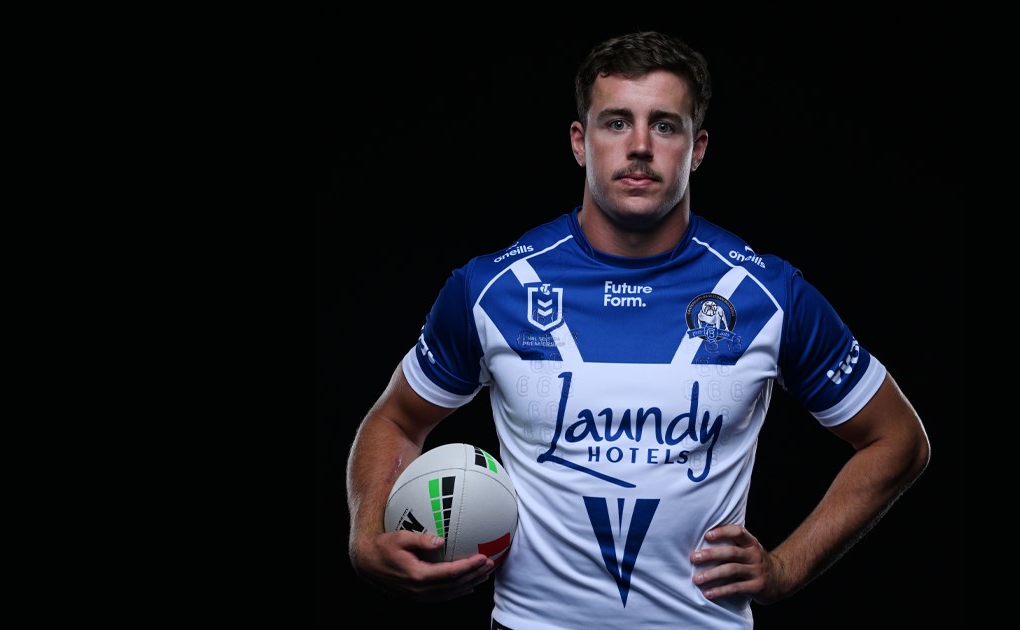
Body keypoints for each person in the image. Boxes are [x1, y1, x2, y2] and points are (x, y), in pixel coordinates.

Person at [345, 30, 931, 629]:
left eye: (666, 125)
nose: (641, 147)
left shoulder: (764, 292)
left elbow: (898, 439)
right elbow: (397, 419)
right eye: (617, 122)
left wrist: (786, 568)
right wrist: (366, 539)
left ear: (697, 148)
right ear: (580, 142)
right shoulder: (495, 288)